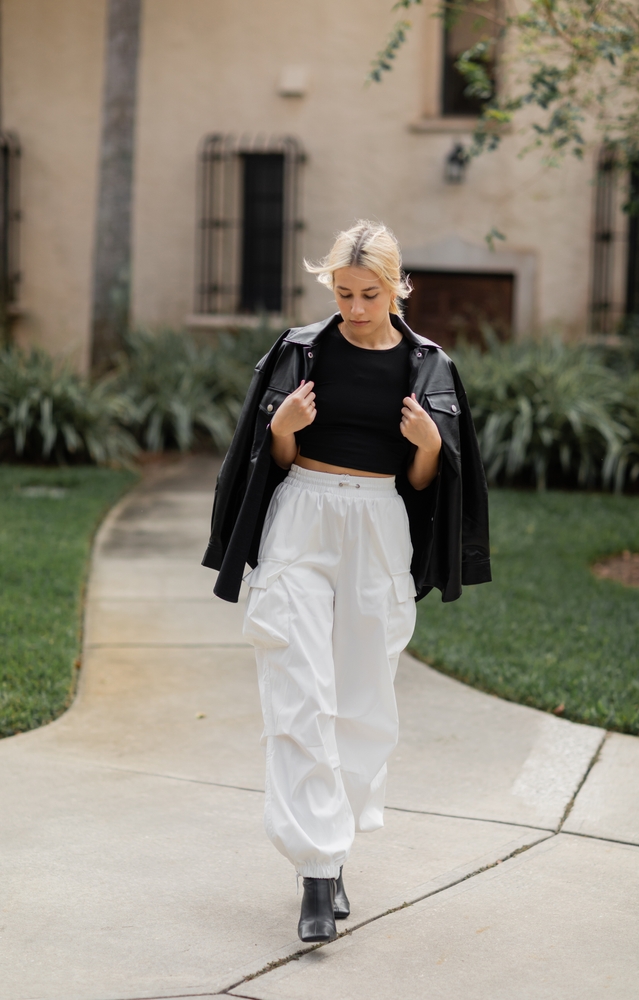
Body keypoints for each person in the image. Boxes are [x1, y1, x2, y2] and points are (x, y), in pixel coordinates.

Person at [202, 221, 491, 943]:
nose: (355, 307)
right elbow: (261, 458)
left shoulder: (429, 366)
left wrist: (427, 447)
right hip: (300, 517)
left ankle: (333, 845)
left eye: (369, 293)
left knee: (362, 702)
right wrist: (283, 430)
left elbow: (427, 488)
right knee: (298, 690)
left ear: (398, 288)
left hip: (376, 524)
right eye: (342, 292)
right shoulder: (301, 350)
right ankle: (317, 873)